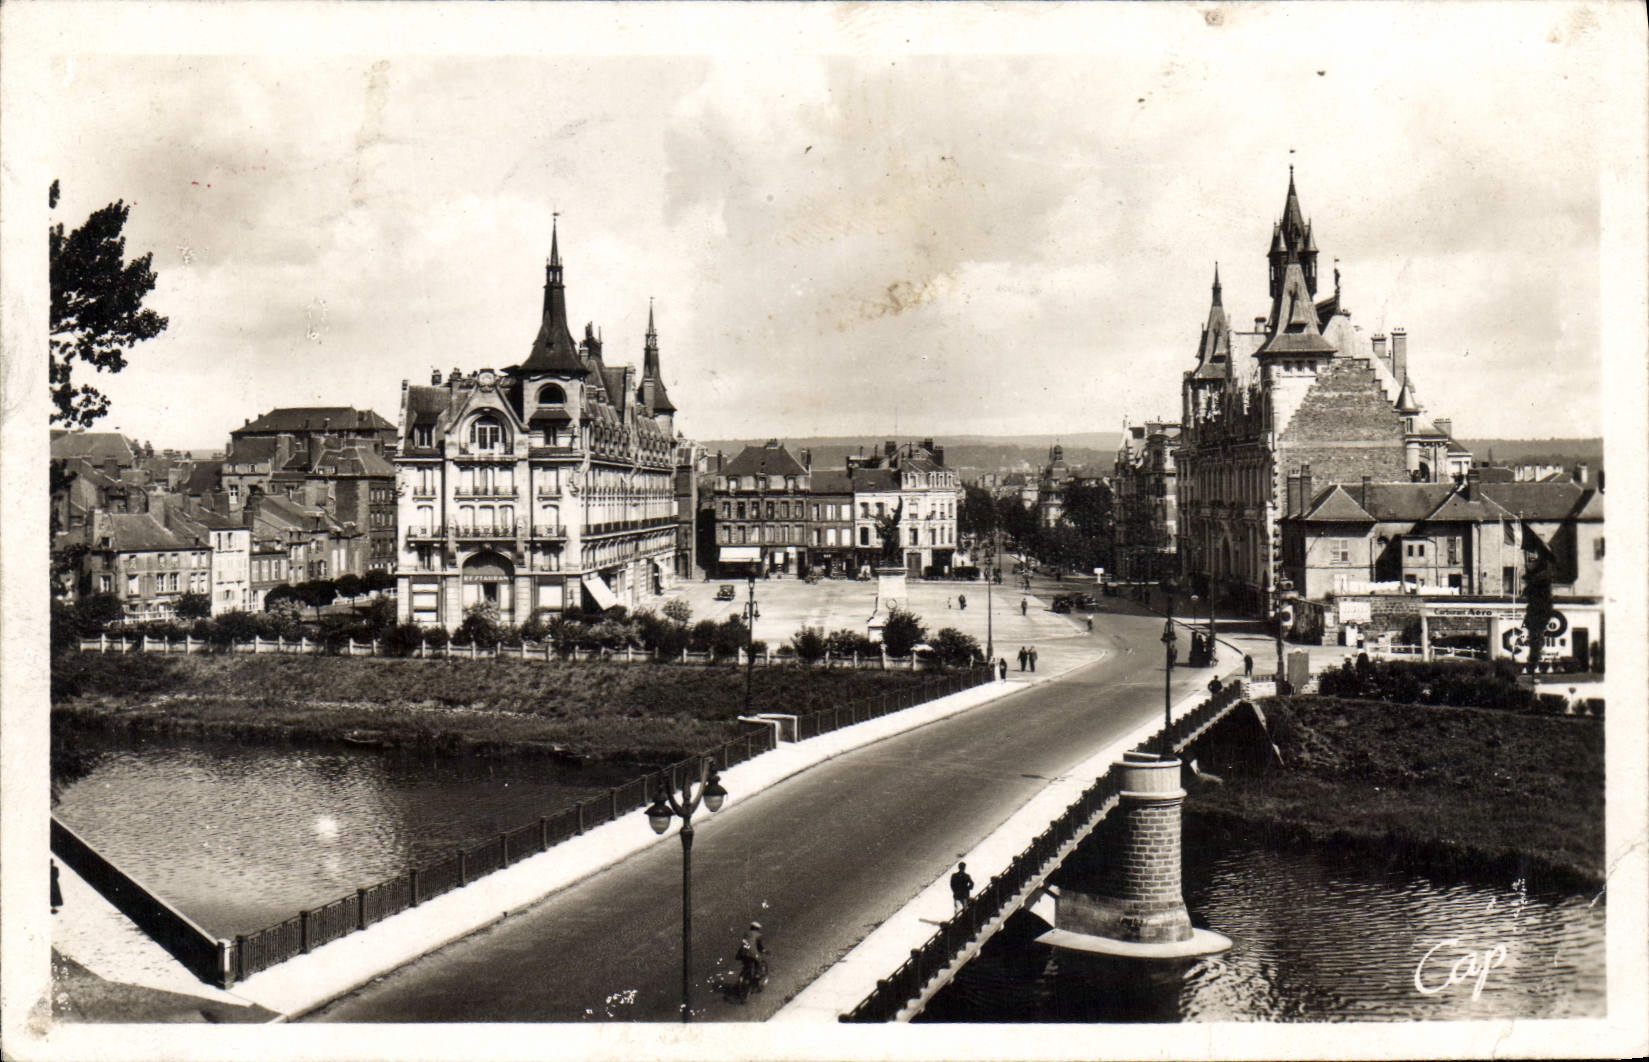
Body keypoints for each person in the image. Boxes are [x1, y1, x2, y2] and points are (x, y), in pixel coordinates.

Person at [736, 921, 767, 999]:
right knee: (758, 962)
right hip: (752, 953)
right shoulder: (759, 935)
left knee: (747, 965)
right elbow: (760, 946)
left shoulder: (746, 934)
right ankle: (757, 975)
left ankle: (745, 977)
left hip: (742, 953)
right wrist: (764, 950)